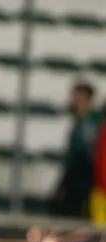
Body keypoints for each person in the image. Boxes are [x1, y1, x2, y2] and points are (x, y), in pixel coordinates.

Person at [50, 81, 99, 218]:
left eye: (75, 96)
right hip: (76, 175)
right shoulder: (81, 121)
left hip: (85, 178)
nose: (72, 100)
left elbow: (88, 154)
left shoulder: (91, 123)